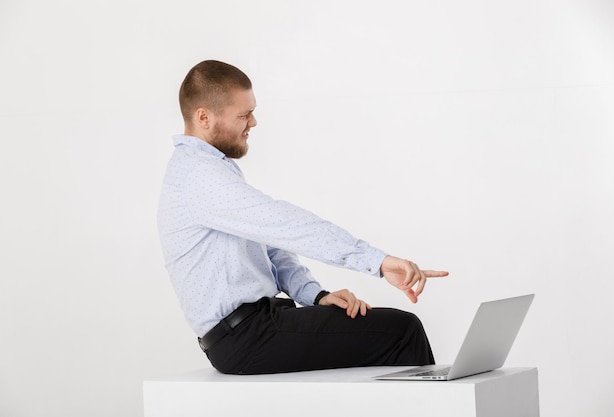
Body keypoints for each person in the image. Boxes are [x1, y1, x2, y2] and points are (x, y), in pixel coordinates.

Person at [157, 59, 449, 375]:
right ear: (204, 117)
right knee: (402, 332)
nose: (253, 122)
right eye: (244, 115)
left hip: (256, 329)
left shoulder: (210, 171)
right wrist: (376, 261)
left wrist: (316, 295)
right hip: (245, 338)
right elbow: (285, 224)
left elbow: (272, 246)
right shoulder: (198, 177)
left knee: (386, 331)